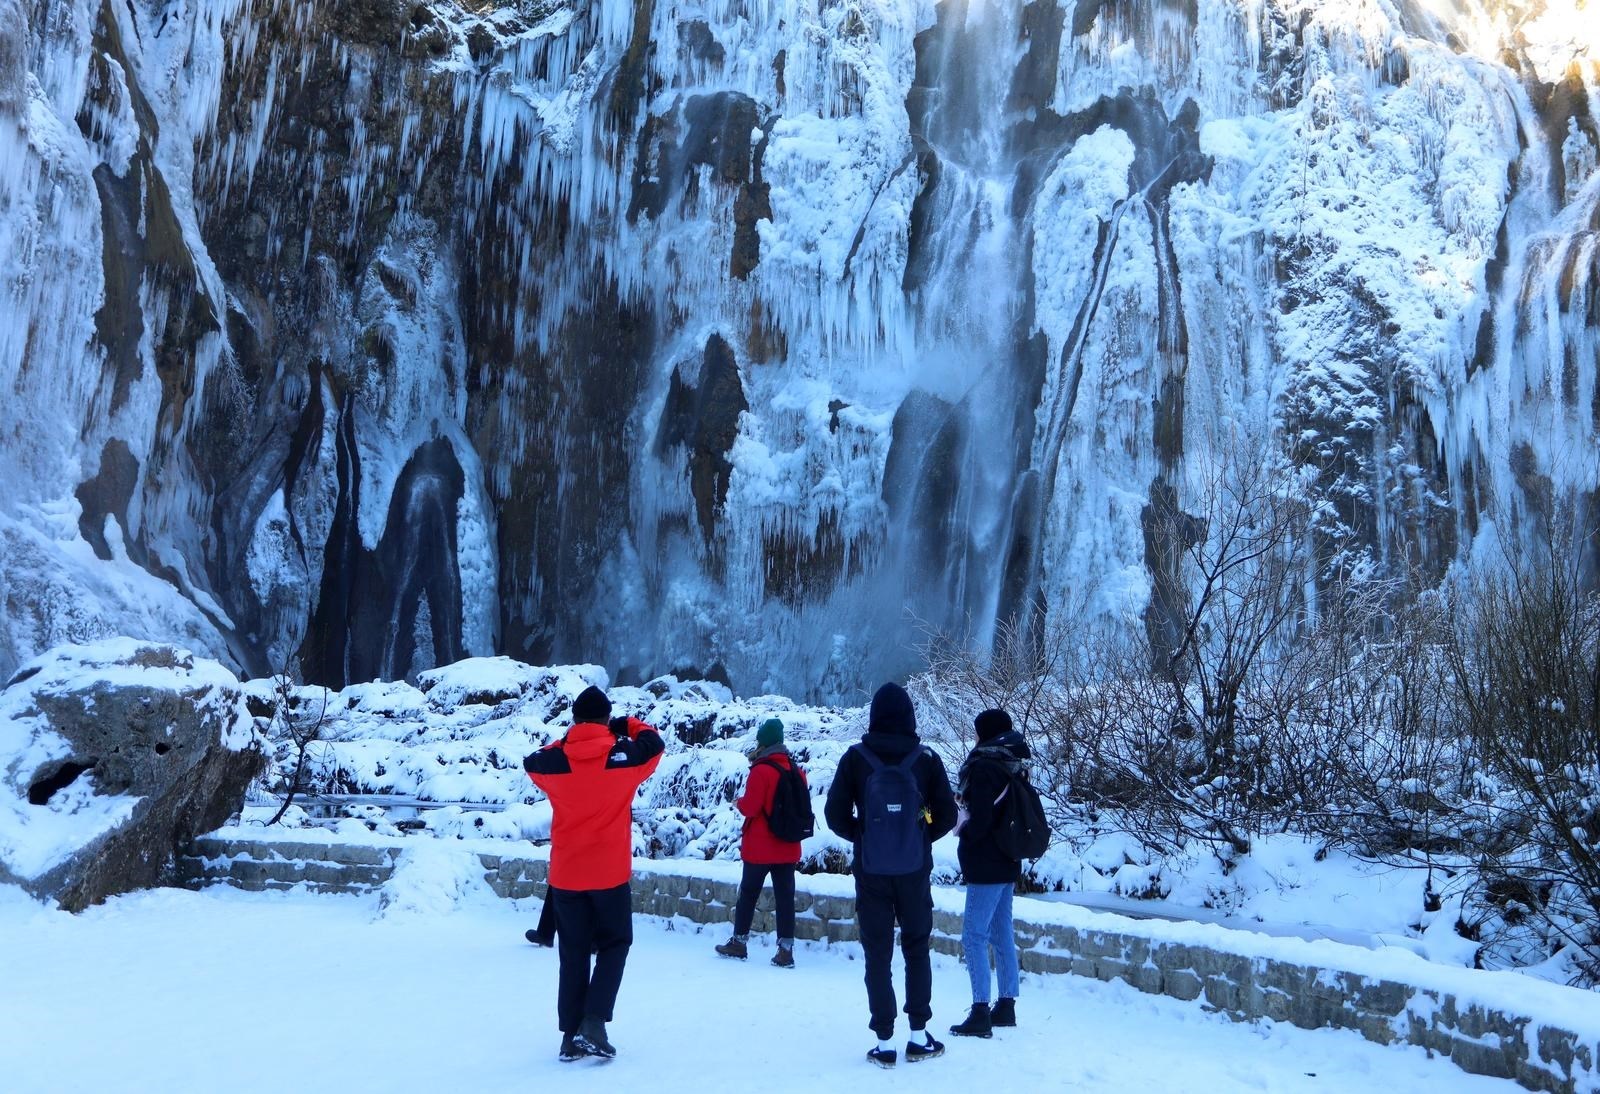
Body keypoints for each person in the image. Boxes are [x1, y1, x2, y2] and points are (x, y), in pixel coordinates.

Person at [524, 685, 664, 1062]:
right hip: (609, 874)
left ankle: (570, 1038)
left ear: (574, 720)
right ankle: (594, 1021)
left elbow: (534, 760)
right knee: (615, 944)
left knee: (572, 955)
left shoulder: (554, 763)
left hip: (567, 875)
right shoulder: (626, 758)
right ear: (606, 718)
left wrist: (573, 737)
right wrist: (624, 725)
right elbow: (654, 742)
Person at [824, 682, 959, 1068]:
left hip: (872, 872)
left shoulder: (855, 758)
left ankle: (884, 1042)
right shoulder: (926, 759)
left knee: (877, 953)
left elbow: (834, 816)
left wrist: (863, 836)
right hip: (914, 870)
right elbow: (947, 816)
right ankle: (919, 1036)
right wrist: (919, 837)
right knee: (917, 947)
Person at [949, 708, 1028, 1038]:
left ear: (986, 734)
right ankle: (1006, 1004)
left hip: (985, 863)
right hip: (1008, 859)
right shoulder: (1014, 763)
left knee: (974, 935)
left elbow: (979, 822)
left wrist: (962, 829)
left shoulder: (983, 768)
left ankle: (980, 1009)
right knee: (1001, 930)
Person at [715, 717, 807, 968]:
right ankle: (786, 951)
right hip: (787, 845)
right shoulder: (796, 770)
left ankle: (739, 942)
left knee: (748, 894)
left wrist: (738, 803)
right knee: (785, 898)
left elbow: (752, 807)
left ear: (763, 742)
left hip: (760, 847)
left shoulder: (761, 770)